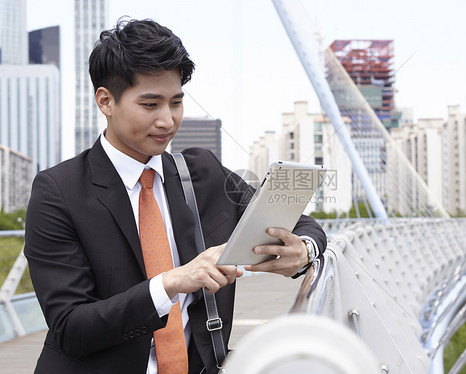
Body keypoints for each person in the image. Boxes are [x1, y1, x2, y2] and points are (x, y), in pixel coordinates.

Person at [24, 18, 326, 374]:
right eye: (151, 105)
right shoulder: (58, 191)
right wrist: (169, 284)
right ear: (105, 101)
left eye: (176, 102)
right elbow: (70, 327)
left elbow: (296, 221)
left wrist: (305, 248)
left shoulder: (202, 172)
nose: (168, 120)